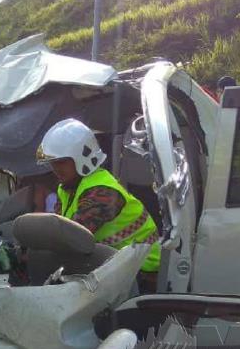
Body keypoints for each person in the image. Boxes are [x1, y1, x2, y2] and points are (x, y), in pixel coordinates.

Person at [37, 118, 161, 276]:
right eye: (52, 163)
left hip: (143, 271)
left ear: (82, 158)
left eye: (61, 162)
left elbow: (70, 238)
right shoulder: (67, 188)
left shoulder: (102, 192)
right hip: (114, 265)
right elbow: (56, 229)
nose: (55, 169)